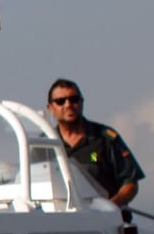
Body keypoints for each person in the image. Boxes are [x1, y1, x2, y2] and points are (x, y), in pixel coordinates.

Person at [48, 78, 143, 210]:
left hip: (106, 225)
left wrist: (110, 207)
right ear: (50, 108)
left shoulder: (105, 138)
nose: (68, 104)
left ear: (81, 103)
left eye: (74, 99)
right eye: (60, 101)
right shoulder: (44, 144)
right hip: (62, 222)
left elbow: (130, 182)